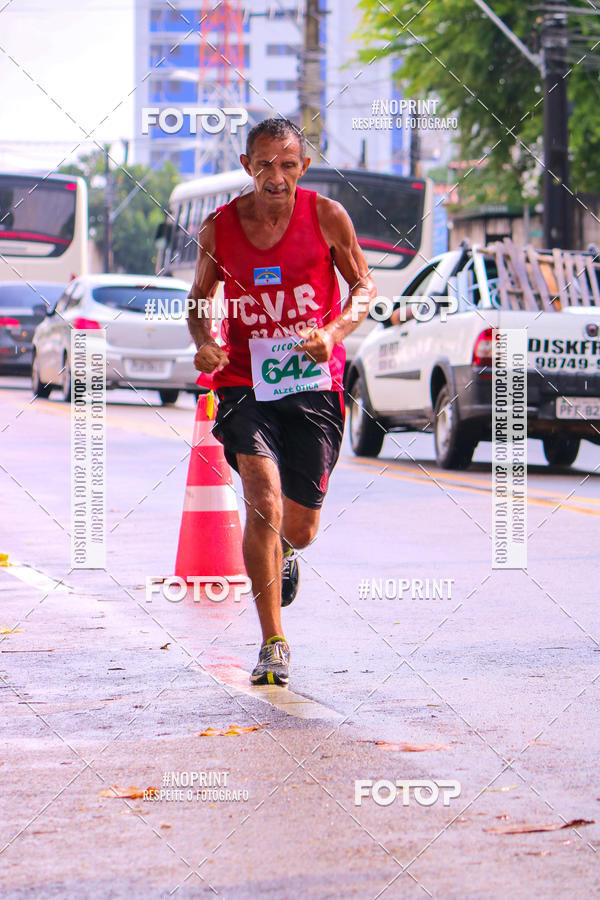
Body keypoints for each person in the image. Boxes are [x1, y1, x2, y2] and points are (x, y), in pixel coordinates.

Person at [188, 117, 375, 686]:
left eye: (287, 165)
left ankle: (286, 554)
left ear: (303, 167)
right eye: (265, 164)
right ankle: (273, 641)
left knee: (300, 525)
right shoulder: (220, 228)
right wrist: (205, 343)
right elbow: (199, 298)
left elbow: (365, 288)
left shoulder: (326, 216)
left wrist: (334, 333)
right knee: (261, 499)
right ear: (247, 167)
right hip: (244, 383)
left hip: (312, 384)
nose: (276, 177)